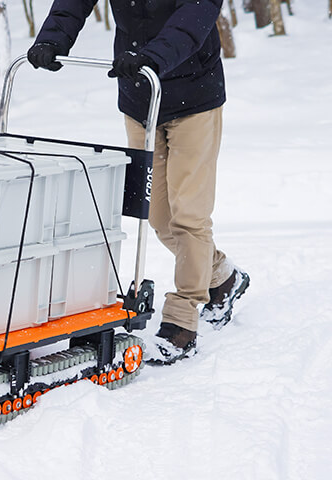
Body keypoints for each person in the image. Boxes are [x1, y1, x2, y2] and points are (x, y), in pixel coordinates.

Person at [27, 0, 250, 364]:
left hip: (194, 97)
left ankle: (182, 317)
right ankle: (222, 278)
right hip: (140, 97)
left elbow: (192, 19)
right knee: (161, 220)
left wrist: (153, 56)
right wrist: (53, 39)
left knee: (189, 218)